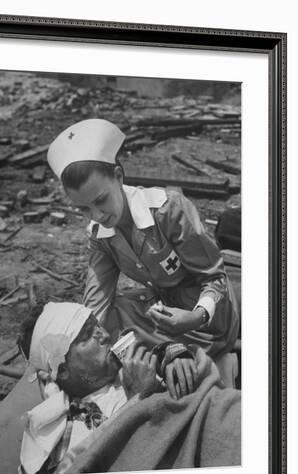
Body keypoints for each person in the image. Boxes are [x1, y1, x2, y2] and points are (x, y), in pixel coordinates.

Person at [47, 119, 240, 358]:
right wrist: (78, 345)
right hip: (164, 314)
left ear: (118, 176)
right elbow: (97, 300)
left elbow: (215, 277)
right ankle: (160, 352)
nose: (97, 215)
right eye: (84, 209)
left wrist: (195, 317)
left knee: (134, 345)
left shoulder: (169, 210)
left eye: (100, 200)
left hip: (207, 320)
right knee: (111, 312)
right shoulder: (100, 236)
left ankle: (167, 352)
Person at [18, 301, 237, 474]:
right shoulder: (56, 439)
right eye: (87, 336)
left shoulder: (133, 367)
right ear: (63, 370)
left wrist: (176, 354)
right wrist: (138, 401)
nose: (104, 335)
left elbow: (202, 388)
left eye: (97, 325)